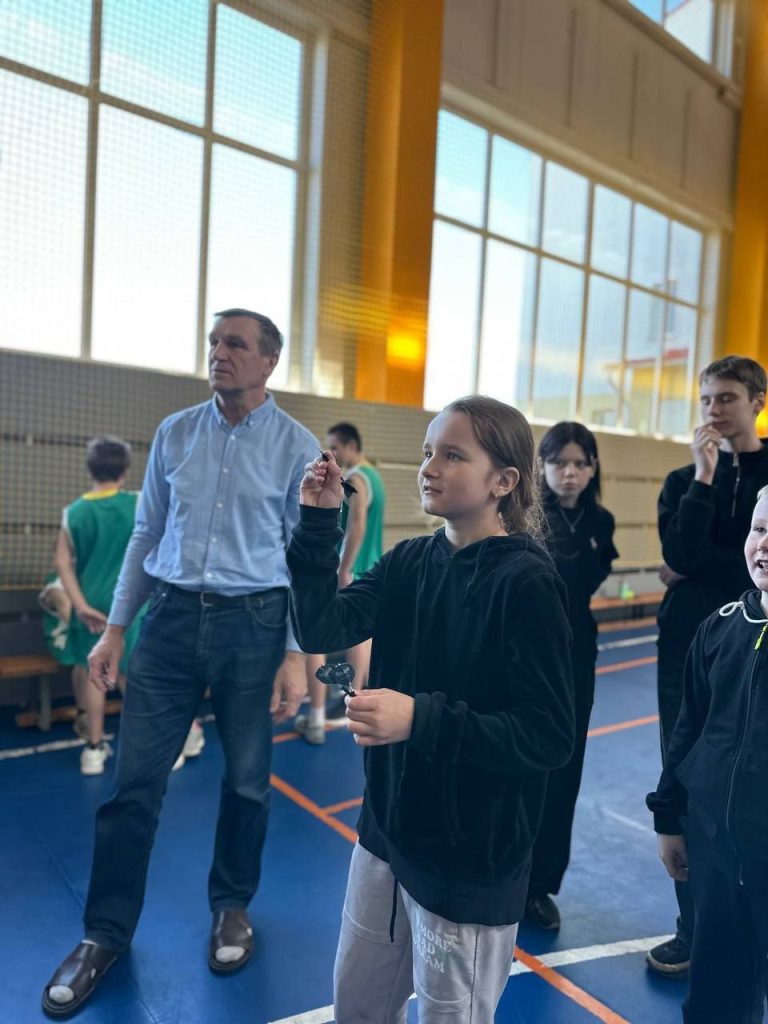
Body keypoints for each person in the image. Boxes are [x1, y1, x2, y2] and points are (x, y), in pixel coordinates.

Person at [42, 308, 317, 1019]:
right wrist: (115, 631)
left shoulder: (297, 447)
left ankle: (232, 908)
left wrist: (296, 655)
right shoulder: (175, 432)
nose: (219, 353)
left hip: (255, 625)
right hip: (167, 622)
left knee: (247, 781)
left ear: (268, 361)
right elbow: (146, 535)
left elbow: (306, 560)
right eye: (214, 342)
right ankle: (104, 934)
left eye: (235, 344)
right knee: (133, 784)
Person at [288, 395, 575, 1023]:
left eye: (452, 455)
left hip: (467, 860)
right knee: (358, 1006)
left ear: (503, 482)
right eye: (426, 452)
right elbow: (319, 627)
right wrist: (318, 524)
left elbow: (548, 735)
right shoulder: (409, 561)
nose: (429, 467)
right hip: (385, 835)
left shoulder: (526, 583)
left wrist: (418, 719)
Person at [648, 355, 768, 977]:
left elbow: (700, 566)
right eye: (706, 400)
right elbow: (682, 553)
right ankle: (694, 927)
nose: (714, 411)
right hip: (690, 647)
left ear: (757, 402)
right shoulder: (683, 481)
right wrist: (704, 476)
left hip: (757, 643)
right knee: (686, 766)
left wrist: (694, 566)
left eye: (726, 398)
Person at [525, 422, 618, 929]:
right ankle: (504, 871)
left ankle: (540, 884)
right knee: (517, 762)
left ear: (593, 469)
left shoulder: (601, 522)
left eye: (581, 463)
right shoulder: (523, 517)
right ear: (542, 465)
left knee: (565, 767)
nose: (570, 472)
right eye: (560, 461)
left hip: (577, 653)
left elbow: (591, 579)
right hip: (522, 650)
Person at [51, 437, 144, 774]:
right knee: (133, 674)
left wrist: (80, 606)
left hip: (91, 603)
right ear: (125, 470)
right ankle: (142, 748)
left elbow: (62, 563)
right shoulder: (138, 502)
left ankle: (92, 748)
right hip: (131, 603)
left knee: (95, 674)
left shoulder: (72, 512)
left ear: (89, 469)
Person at [294, 422, 386, 744]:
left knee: (322, 632)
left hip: (355, 564)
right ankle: (354, 698)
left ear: (350, 445)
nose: (331, 453)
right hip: (371, 563)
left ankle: (328, 709)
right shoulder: (375, 476)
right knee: (362, 636)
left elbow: (357, 526)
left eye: (335, 446)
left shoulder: (357, 478)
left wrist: (344, 568)